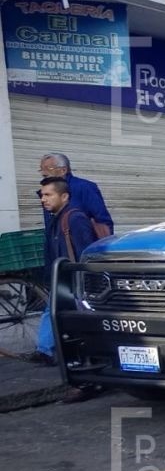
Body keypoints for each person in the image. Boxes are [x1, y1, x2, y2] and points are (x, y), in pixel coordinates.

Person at [27, 154, 114, 367]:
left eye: (46, 169)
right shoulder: (50, 193)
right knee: (54, 305)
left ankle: (93, 356)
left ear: (62, 170)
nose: (43, 173)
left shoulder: (83, 190)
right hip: (59, 261)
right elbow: (51, 232)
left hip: (75, 263)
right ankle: (47, 350)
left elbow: (103, 222)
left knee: (79, 308)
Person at [39, 178, 104, 403]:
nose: (43, 199)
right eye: (42, 195)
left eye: (48, 195)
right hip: (63, 283)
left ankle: (88, 381)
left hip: (74, 286)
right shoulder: (57, 219)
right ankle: (80, 378)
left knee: (79, 333)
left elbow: (85, 254)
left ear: (64, 196)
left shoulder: (74, 218)